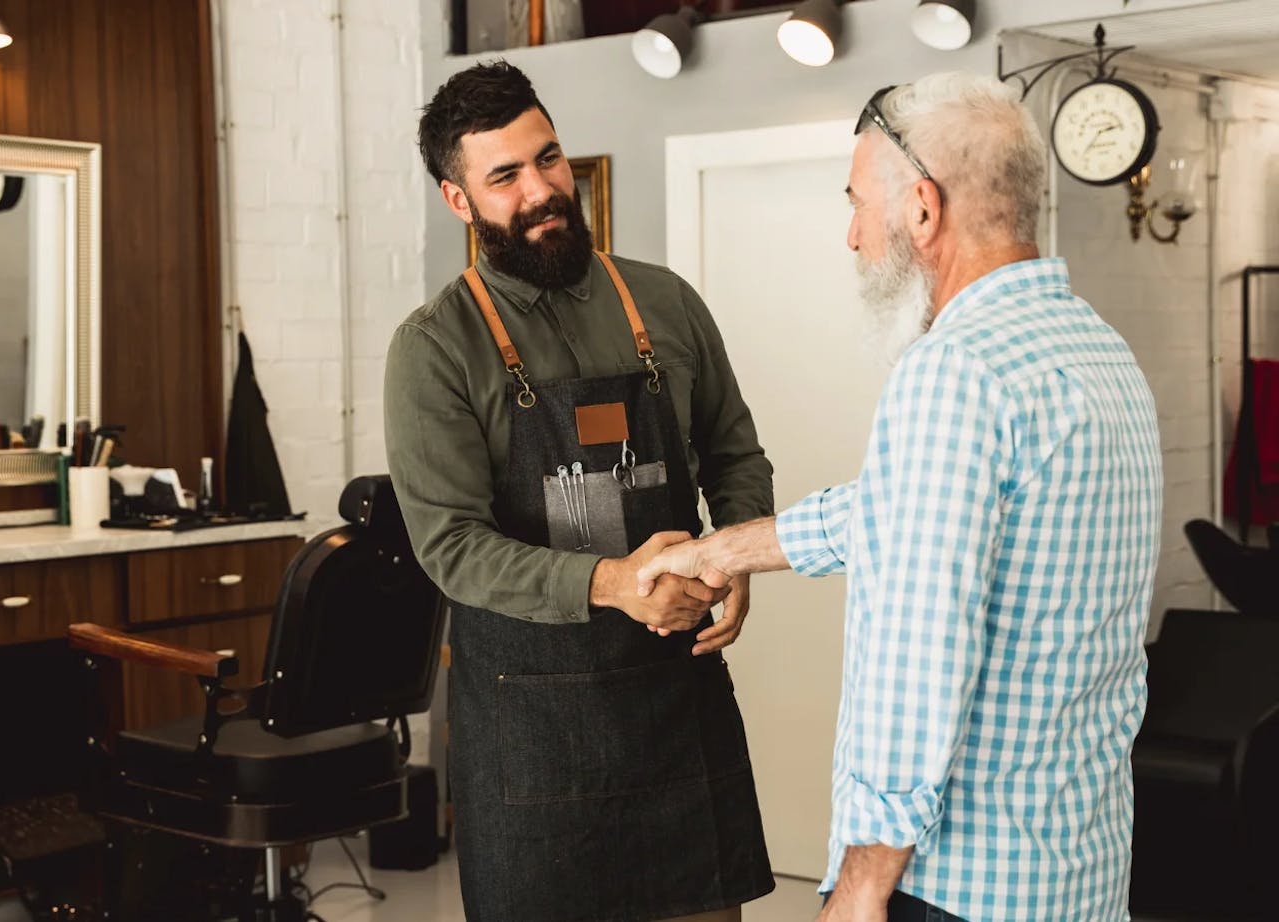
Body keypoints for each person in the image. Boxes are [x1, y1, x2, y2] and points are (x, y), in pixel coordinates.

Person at [637, 72, 1163, 922]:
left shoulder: (953, 373)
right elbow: (903, 510)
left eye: (856, 203)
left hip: (956, 886)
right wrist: (719, 551)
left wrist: (862, 882)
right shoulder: (1099, 354)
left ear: (921, 208)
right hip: (1078, 866)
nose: (852, 236)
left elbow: (918, 658)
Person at [385, 61, 776, 922]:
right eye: (506, 176)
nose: (542, 189)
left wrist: (738, 555)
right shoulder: (435, 348)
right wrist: (621, 584)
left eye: (549, 158)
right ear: (460, 201)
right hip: (536, 741)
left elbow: (734, 452)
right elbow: (450, 548)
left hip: (676, 705)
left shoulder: (666, 301)